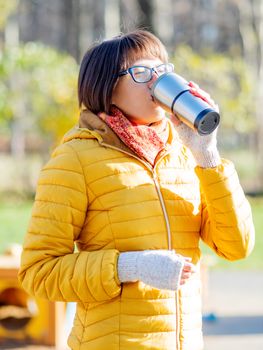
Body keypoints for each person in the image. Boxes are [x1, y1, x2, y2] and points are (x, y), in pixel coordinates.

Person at [18, 29, 255, 350]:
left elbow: (237, 247)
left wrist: (207, 154)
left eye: (163, 71)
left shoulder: (184, 154)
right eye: (142, 73)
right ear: (107, 88)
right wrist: (129, 266)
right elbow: (39, 273)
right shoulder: (75, 159)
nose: (157, 82)